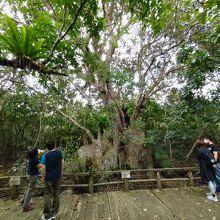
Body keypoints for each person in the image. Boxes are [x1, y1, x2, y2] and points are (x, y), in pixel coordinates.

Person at [41, 140, 64, 220]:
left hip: (49, 177)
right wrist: (61, 171)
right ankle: (54, 212)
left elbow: (43, 167)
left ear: (47, 147)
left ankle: (47, 215)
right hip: (58, 176)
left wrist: (43, 176)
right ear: (54, 146)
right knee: (56, 193)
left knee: (47, 194)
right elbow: (62, 162)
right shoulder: (59, 153)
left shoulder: (45, 155)